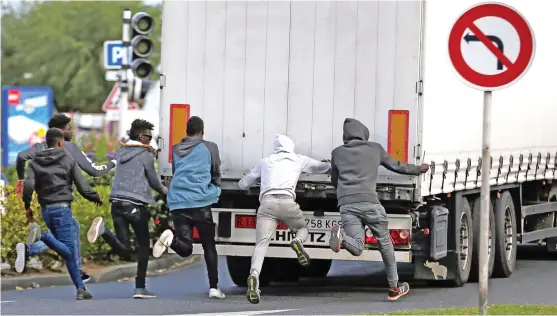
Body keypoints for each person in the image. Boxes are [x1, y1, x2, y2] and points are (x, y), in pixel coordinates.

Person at [328, 118, 429, 301]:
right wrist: (418, 169)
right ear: (363, 134)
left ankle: (342, 239)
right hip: (370, 204)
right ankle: (394, 288)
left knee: (357, 246)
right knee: (385, 244)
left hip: (347, 205)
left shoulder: (337, 153)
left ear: (345, 135)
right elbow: (397, 166)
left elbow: (334, 180)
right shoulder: (374, 149)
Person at [14, 114, 116, 282]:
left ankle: (74, 268)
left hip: (44, 202)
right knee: (65, 236)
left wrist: (20, 179)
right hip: (62, 202)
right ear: (61, 132)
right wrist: (113, 163)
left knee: (71, 229)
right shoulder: (70, 148)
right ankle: (31, 249)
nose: (72, 132)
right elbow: (94, 171)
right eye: (69, 129)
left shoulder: (40, 147)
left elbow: (20, 157)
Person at [238, 134, 331, 304]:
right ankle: (297, 241)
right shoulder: (297, 159)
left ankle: (254, 275)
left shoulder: (265, 161)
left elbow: (245, 183)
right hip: (288, 202)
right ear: (291, 145)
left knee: (261, 243)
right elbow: (319, 168)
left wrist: (241, 183)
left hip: (266, 204)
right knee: (302, 228)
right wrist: (328, 164)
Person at [86, 119, 167, 299]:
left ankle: (104, 231)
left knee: (124, 249)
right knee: (144, 245)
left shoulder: (121, 151)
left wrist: (151, 152)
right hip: (135, 204)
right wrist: (165, 191)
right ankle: (140, 288)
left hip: (117, 203)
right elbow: (153, 180)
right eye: (148, 136)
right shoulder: (144, 154)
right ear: (141, 137)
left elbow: (135, 158)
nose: (151, 139)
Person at [21, 128, 102, 300]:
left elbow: (28, 186)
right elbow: (83, 186)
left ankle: (81, 289)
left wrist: (27, 206)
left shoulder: (34, 162)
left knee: (66, 248)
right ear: (60, 142)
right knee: (69, 251)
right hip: (62, 209)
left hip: (46, 210)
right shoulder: (67, 158)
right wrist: (95, 197)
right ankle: (41, 236)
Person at [151, 116, 225, 299]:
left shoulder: (176, 149)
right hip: (200, 202)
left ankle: (171, 240)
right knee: (209, 245)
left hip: (178, 201)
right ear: (202, 131)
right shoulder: (210, 147)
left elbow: (177, 173)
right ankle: (214, 287)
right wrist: (215, 188)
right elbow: (215, 170)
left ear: (186, 131)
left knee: (186, 249)